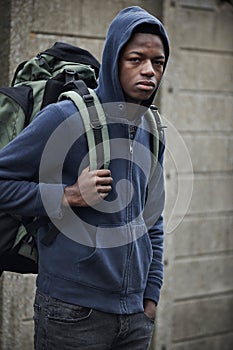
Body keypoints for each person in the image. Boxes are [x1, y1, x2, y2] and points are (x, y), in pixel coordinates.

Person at [0, 6, 169, 350]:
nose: (149, 70)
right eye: (136, 59)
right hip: (72, 312)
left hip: (135, 317)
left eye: (158, 62)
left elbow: (152, 218)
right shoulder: (65, 117)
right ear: (113, 61)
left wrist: (151, 295)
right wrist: (67, 195)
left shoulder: (151, 128)